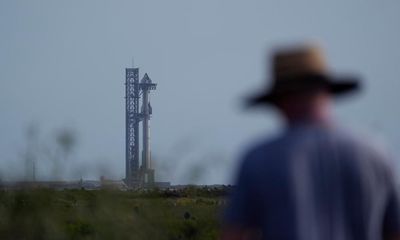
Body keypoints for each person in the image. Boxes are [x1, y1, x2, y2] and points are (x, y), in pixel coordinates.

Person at [222, 44, 400, 240]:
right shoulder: (375, 151)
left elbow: (235, 234)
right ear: (327, 91)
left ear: (278, 99)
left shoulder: (258, 159)